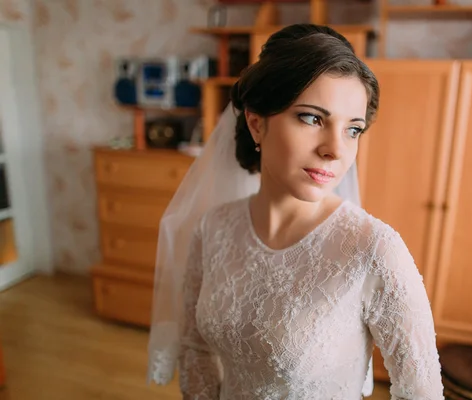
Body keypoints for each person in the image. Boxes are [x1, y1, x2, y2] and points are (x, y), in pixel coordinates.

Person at [146, 24, 444, 399]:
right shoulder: (214, 228)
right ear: (256, 123)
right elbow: (195, 348)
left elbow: (422, 392)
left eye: (353, 129)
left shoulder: (374, 250)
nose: (335, 150)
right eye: (312, 118)